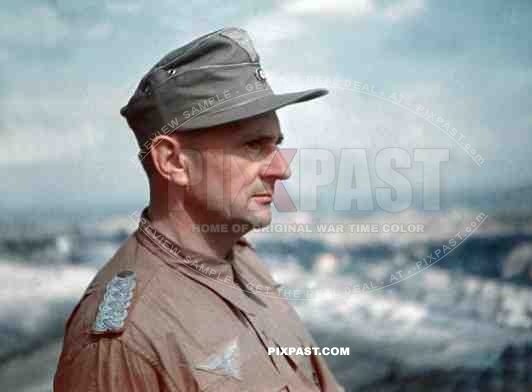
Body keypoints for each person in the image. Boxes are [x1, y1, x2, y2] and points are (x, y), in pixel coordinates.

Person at [53, 27, 344, 391]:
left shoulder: (242, 261)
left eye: (277, 144)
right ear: (173, 162)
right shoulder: (124, 341)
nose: (282, 168)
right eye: (254, 145)